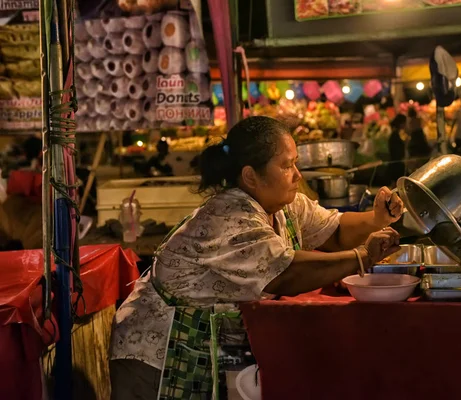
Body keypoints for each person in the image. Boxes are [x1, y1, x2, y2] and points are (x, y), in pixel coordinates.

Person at [109, 116, 405, 400]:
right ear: (251, 175)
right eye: (286, 165)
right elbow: (285, 273)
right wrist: (362, 256)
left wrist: (376, 218)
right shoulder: (230, 216)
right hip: (155, 356)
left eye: (296, 163)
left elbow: (334, 232)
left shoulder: (284, 204)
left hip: (210, 345)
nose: (297, 175)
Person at [406, 107, 431, 171]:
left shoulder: (410, 121)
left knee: (416, 153)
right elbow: (423, 124)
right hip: (420, 136)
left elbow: (409, 130)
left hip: (414, 137)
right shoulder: (419, 119)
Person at [387, 114, 407, 184]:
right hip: (396, 166)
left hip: (395, 165)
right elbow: (396, 152)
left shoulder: (395, 135)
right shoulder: (395, 136)